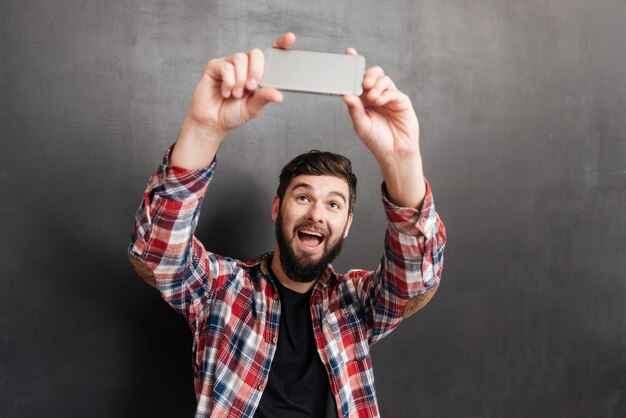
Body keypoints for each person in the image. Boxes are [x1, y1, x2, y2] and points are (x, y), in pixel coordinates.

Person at [128, 32, 446, 418]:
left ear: (346, 226)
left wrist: (402, 160)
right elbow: (159, 251)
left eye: (333, 204)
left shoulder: (358, 303)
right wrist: (203, 129)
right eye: (303, 197)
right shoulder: (221, 290)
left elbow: (416, 278)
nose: (316, 214)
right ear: (277, 208)